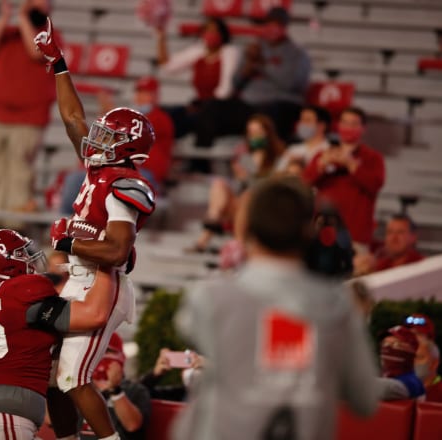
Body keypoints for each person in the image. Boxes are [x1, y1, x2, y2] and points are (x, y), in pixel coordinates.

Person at [173, 177, 379, 440]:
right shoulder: (338, 309)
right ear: (308, 231)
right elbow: (365, 400)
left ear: (245, 228)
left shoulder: (208, 299)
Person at [35, 18, 157, 440]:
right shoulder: (100, 167)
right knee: (49, 375)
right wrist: (58, 63)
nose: (96, 137)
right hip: (80, 280)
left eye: (108, 134)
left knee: (72, 376)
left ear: (127, 146)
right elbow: (72, 118)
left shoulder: (127, 184)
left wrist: (68, 241)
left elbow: (118, 250)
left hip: (104, 284)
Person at [0, 229, 119, 440]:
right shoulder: (21, 291)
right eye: (21, 254)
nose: (30, 259)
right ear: (4, 265)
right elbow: (95, 315)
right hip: (4, 419)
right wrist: (107, 263)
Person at [0, 0, 58, 228]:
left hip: (28, 119)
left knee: (19, 172)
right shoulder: (9, 33)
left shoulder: (51, 35)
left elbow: (35, 52)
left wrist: (23, 19)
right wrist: (4, 19)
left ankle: (15, 226)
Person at [59, 75, 175, 214]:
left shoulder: (160, 118)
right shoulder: (129, 116)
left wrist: (110, 112)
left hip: (144, 173)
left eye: (146, 93)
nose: (141, 97)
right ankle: (68, 223)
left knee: (110, 184)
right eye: (139, 92)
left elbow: (132, 134)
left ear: (155, 96)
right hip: (118, 167)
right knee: (75, 178)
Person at [193, 114, 285, 252]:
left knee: (248, 196)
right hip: (240, 200)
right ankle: (212, 221)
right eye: (251, 132)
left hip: (263, 204)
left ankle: (238, 244)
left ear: (267, 133)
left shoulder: (279, 156)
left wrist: (251, 172)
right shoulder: (243, 153)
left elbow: (271, 185)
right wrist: (242, 173)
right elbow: (240, 185)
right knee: (219, 184)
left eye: (257, 132)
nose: (254, 136)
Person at [154, 16, 240, 154]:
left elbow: (226, 89)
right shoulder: (199, 51)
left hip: (223, 107)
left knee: (200, 116)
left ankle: (200, 161)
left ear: (222, 34)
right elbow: (168, 66)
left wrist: (202, 106)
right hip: (201, 105)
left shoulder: (230, 52)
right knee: (171, 115)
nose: (210, 34)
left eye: (214, 31)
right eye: (207, 30)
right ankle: (161, 155)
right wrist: (161, 37)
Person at [303, 106, 385, 250]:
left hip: (355, 236)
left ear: (363, 128)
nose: (348, 127)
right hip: (323, 234)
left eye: (354, 124)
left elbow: (375, 184)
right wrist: (321, 165)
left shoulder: (372, 158)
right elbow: (304, 182)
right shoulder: (324, 155)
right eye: (345, 123)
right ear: (338, 125)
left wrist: (351, 165)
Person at [231, 7, 311, 141]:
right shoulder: (254, 49)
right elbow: (235, 84)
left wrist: (263, 66)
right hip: (249, 104)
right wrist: (247, 67)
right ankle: (200, 160)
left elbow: (292, 84)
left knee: (268, 114)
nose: (273, 29)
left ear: (285, 27)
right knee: (214, 108)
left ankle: (269, 156)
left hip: (281, 104)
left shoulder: (297, 53)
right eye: (269, 24)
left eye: (278, 25)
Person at [80, 333, 151, 440]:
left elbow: (132, 425)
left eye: (108, 351)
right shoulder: (80, 388)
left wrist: (115, 390)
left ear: (121, 356)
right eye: (97, 351)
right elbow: (50, 421)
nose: (102, 356)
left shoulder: (135, 389)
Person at [376, 325, 426, 401]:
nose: (387, 348)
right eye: (384, 344)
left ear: (411, 351)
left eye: (396, 344)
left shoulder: (410, 382)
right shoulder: (384, 376)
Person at [276, 106, 331, 171]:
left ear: (321, 125)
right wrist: (290, 165)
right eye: (301, 120)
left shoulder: (329, 150)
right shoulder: (293, 150)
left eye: (307, 120)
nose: (302, 124)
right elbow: (277, 174)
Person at [138, 348, 204, 402]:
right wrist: (154, 375)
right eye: (188, 362)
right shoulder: (178, 395)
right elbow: (138, 395)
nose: (193, 371)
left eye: (200, 367)